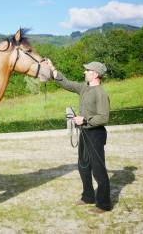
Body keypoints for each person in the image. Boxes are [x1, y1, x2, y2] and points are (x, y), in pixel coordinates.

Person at [46, 60, 112, 213]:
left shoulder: (101, 93)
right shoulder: (84, 88)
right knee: (83, 166)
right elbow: (67, 83)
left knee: (98, 170)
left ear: (95, 74)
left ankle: (104, 204)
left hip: (96, 134)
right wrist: (52, 69)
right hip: (84, 133)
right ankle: (88, 196)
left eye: (87, 70)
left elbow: (104, 117)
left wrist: (85, 120)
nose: (85, 72)